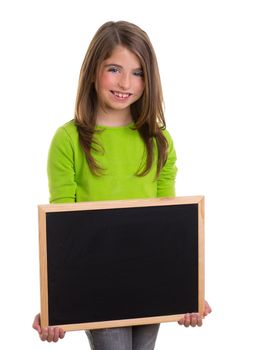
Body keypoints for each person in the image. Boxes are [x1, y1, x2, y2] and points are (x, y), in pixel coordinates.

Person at [33, 20, 212, 349]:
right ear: (93, 71)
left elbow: (166, 225)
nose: (125, 82)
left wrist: (187, 291)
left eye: (138, 72)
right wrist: (54, 303)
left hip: (149, 281)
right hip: (96, 284)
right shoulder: (68, 139)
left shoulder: (159, 141)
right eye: (114, 69)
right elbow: (62, 230)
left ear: (149, 79)